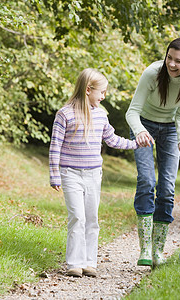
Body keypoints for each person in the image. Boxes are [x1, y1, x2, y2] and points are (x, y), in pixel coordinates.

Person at [49, 68, 140, 278]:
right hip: (70, 173)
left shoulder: (100, 115)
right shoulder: (65, 114)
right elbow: (55, 147)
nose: (104, 96)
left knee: (92, 218)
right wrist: (54, 175)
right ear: (88, 90)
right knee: (77, 217)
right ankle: (74, 262)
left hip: (93, 175)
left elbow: (112, 139)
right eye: (102, 92)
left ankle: (89, 262)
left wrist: (136, 144)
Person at [125, 37, 180, 267]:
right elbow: (132, 112)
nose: (171, 64)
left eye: (178, 61)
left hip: (170, 130)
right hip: (143, 125)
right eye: (169, 58)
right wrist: (139, 131)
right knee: (146, 180)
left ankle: (158, 249)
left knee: (167, 188)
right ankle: (145, 248)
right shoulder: (153, 73)